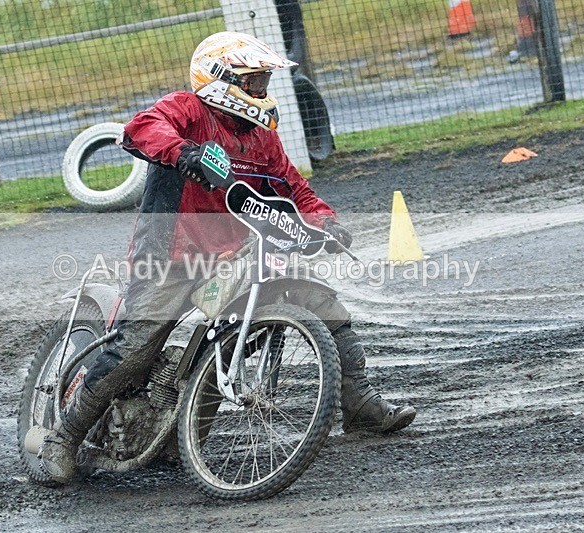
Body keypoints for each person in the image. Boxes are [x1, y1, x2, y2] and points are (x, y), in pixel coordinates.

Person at [39, 31, 416, 484]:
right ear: (221, 80)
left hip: (233, 254)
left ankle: (359, 407)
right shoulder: (187, 110)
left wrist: (325, 222)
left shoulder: (262, 138)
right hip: (169, 256)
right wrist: (185, 153)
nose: (261, 91)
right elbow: (140, 129)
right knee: (138, 346)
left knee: (319, 304)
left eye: (262, 82)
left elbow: (293, 188)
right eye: (254, 82)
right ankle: (63, 437)